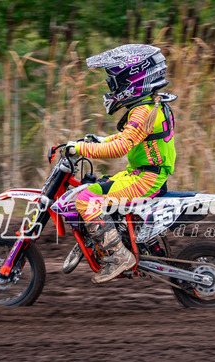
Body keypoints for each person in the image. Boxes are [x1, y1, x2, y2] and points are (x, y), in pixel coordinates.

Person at [65, 44, 177, 284]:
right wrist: (99, 140)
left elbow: (120, 147)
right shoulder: (149, 105)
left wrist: (79, 148)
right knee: (95, 186)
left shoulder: (143, 111)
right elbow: (127, 137)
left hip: (145, 179)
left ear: (133, 79)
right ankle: (97, 237)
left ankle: (118, 256)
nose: (112, 87)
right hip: (142, 174)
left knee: (86, 199)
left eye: (115, 81)